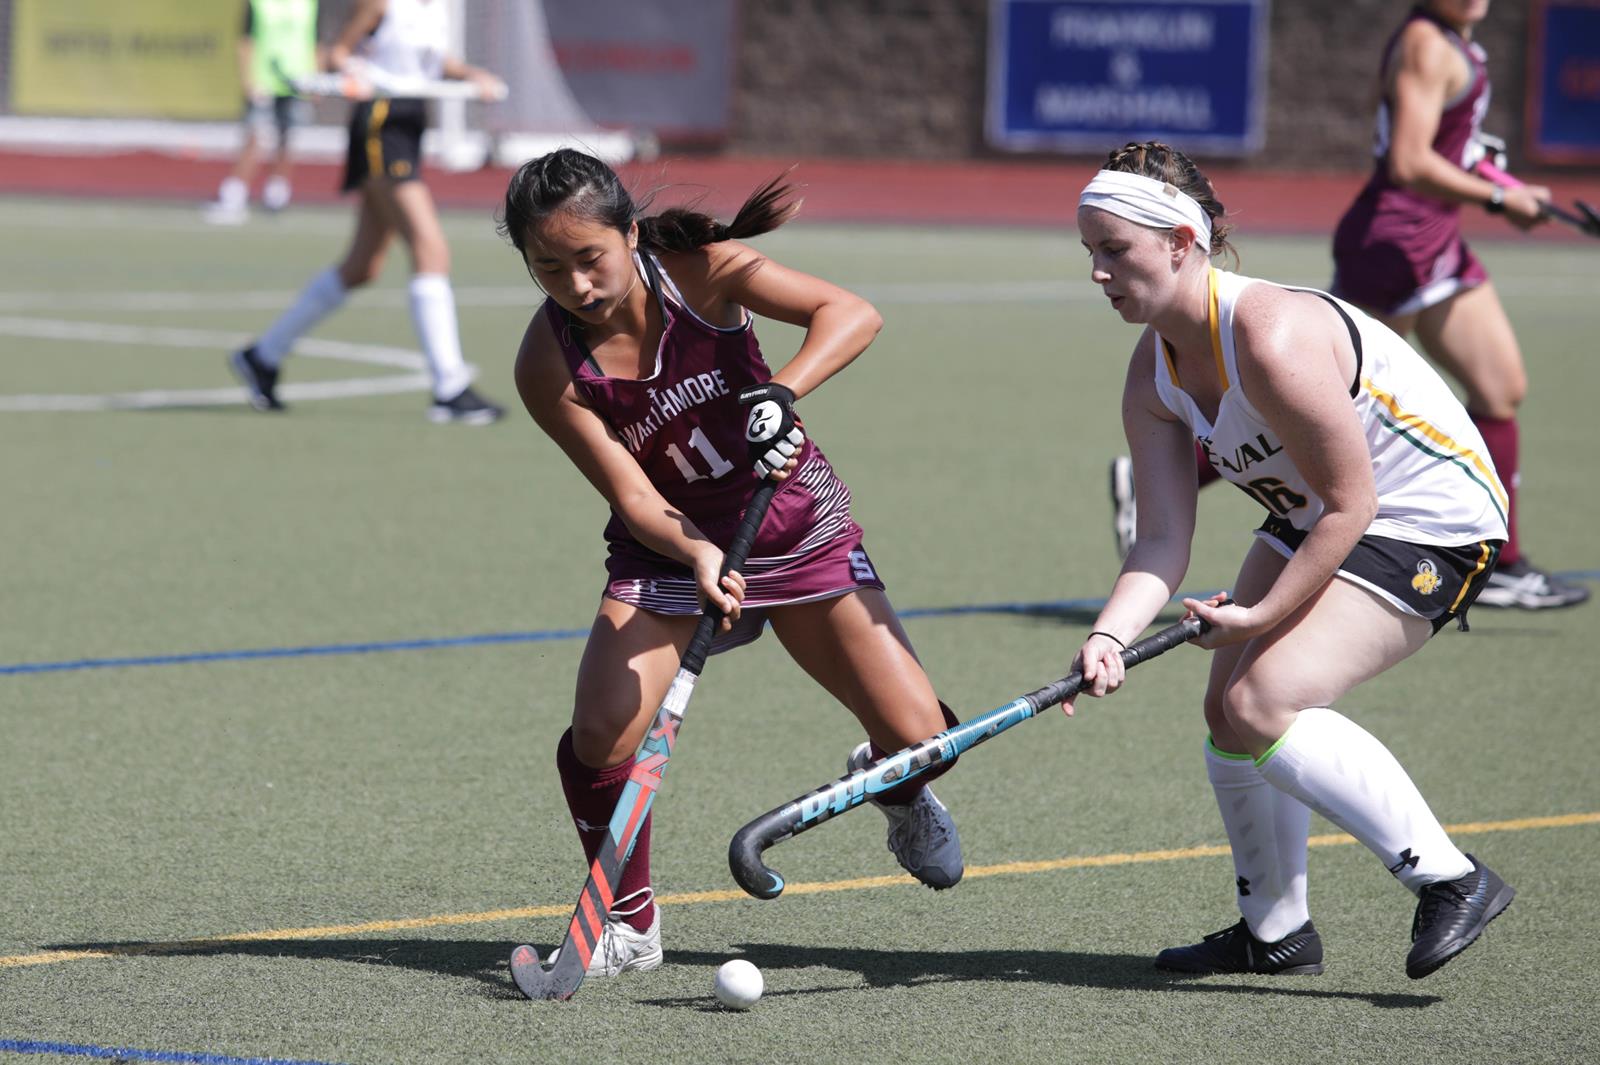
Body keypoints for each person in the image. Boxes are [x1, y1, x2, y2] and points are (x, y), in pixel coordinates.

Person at [498, 148, 965, 976]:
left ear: (630, 234)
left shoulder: (701, 271)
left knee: (923, 738)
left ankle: (894, 784)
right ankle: (628, 923)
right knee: (603, 728)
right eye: (549, 268)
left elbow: (851, 314)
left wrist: (782, 390)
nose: (577, 285)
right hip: (670, 547)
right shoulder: (547, 364)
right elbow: (633, 494)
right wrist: (697, 550)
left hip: (793, 525)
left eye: (590, 258)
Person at [1072, 141, 1514, 979]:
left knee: (1264, 696)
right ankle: (1275, 930)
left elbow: (1354, 504)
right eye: (1090, 250)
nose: (1098, 271)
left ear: (1181, 242)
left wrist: (1259, 617)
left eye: (1115, 249)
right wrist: (1108, 636)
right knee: (1225, 712)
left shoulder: (1269, 336)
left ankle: (1451, 877)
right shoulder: (1151, 375)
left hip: (1430, 519)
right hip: (1319, 510)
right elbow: (1161, 538)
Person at [1110, 1, 1589, 611]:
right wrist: (1496, 198)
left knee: (1500, 387)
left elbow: (1452, 147)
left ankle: (1507, 563)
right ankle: (1167, 472)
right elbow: (1409, 160)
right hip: (1396, 240)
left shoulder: (1460, 44)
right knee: (1312, 388)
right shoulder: (1427, 44)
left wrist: (1510, 188)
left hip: (1436, 235)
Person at [228, 0, 505, 424]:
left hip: (411, 122)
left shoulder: (437, 7)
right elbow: (338, 53)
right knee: (430, 248)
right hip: (380, 122)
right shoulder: (381, 4)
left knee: (362, 266)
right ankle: (450, 387)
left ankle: (263, 356)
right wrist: (352, 70)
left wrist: (470, 75)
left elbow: (433, 62)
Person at [204, 0, 320, 226]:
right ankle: (234, 195)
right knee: (255, 137)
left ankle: (277, 193)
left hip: (298, 81)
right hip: (264, 80)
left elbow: (316, 42)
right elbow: (246, 41)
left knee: (287, 138)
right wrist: (248, 79)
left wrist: (316, 78)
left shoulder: (309, 4)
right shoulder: (259, 3)